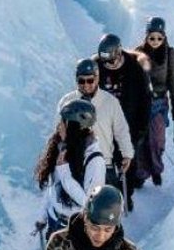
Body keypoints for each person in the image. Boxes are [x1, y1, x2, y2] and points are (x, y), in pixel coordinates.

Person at [58, 57, 132, 193]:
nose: (86, 85)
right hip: (74, 163)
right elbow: (58, 131)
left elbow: (121, 130)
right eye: (81, 81)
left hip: (104, 163)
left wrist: (127, 153)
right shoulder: (67, 102)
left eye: (90, 80)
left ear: (98, 78)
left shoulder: (110, 102)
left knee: (105, 209)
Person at [96, 33, 152, 213]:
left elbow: (145, 100)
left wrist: (142, 129)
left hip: (129, 126)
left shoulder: (135, 68)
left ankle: (126, 197)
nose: (109, 65)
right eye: (106, 63)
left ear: (119, 53)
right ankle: (107, 200)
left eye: (112, 62)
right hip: (104, 127)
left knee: (127, 164)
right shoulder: (96, 65)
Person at [35, 98, 106, 238]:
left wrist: (65, 172)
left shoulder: (94, 161)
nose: (59, 126)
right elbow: (53, 185)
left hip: (75, 230)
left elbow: (89, 204)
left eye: (63, 122)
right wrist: (42, 216)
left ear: (73, 126)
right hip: (54, 220)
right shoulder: (64, 148)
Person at [135, 17, 174, 190]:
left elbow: (173, 79)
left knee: (157, 140)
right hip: (142, 104)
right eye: (152, 38)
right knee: (140, 141)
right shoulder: (138, 53)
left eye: (159, 38)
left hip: (160, 102)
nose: (155, 41)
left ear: (164, 37)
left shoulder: (169, 53)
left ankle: (155, 169)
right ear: (146, 36)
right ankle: (140, 174)